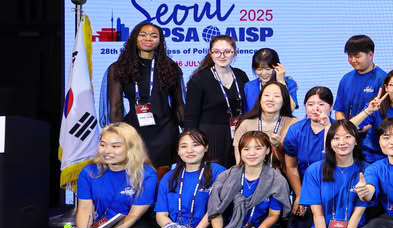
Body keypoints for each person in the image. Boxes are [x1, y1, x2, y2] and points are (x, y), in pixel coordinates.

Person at [73, 123, 159, 228]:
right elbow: (85, 208)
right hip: (107, 220)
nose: (106, 151)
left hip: (138, 220)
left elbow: (134, 215)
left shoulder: (146, 174)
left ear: (131, 147)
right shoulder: (89, 171)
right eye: (103, 144)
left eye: (115, 146)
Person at [204, 130, 292, 228]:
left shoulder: (276, 180)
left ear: (267, 151)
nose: (252, 153)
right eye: (246, 149)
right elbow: (215, 211)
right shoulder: (225, 177)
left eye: (258, 148)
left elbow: (274, 215)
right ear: (240, 151)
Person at [297, 119, 369, 228]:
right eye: (336, 138)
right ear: (329, 142)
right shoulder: (315, 170)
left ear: (356, 140)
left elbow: (358, 214)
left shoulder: (366, 171)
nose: (342, 142)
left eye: (347, 137)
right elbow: (318, 215)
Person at [105, 21, 184, 175]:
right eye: (143, 34)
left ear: (160, 40)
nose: (148, 38)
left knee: (160, 179)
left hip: (165, 131)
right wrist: (117, 135)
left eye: (154, 36)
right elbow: (115, 106)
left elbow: (179, 104)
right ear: (134, 38)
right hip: (134, 131)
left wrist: (188, 131)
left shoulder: (171, 67)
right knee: (136, 180)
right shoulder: (119, 68)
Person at [281, 86, 333, 228]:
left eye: (321, 104)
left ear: (330, 107)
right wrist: (299, 194)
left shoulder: (338, 130)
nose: (315, 108)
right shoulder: (296, 130)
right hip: (305, 189)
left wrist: (328, 127)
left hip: (332, 189)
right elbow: (291, 166)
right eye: (310, 104)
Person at [184, 35, 249, 167]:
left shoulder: (241, 75)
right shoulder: (199, 79)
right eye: (217, 52)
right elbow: (190, 116)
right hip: (210, 136)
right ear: (210, 53)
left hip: (238, 133)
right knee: (214, 176)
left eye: (227, 51)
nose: (222, 55)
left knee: (237, 173)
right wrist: (193, 143)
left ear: (234, 52)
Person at [232, 79, 295, 166]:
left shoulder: (293, 124)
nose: (270, 99)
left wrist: (278, 146)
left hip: (282, 174)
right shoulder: (246, 124)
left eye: (276, 96)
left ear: (284, 100)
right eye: (266, 95)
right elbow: (239, 162)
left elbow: (294, 162)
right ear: (260, 99)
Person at [333, 34, 387, 127]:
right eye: (350, 56)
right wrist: (345, 129)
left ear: (370, 55)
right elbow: (339, 110)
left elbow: (384, 114)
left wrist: (364, 127)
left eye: (357, 56)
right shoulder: (346, 79)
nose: (353, 60)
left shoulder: (383, 78)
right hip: (348, 136)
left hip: (373, 137)